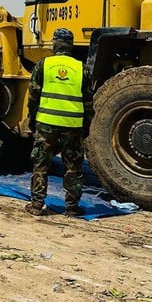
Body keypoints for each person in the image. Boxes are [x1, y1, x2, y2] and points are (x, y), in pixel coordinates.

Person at [26, 27, 94, 216]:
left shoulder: (43, 65)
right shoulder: (82, 68)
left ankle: (36, 206)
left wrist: (31, 120)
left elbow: (33, 96)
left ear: (55, 43)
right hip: (72, 126)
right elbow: (89, 102)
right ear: (70, 46)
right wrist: (86, 125)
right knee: (73, 167)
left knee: (41, 165)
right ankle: (71, 208)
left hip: (46, 123)